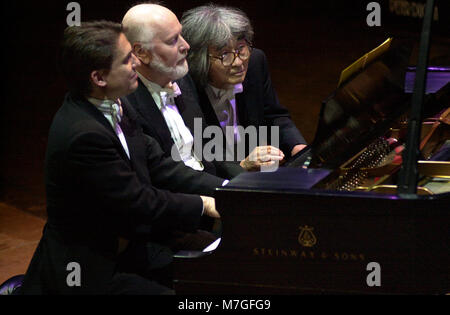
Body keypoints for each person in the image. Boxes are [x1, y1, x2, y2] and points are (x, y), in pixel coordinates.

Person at [19, 21, 224, 295]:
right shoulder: (83, 135)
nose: (137, 64)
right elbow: (138, 200)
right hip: (92, 267)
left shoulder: (117, 103)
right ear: (99, 78)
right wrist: (203, 204)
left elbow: (159, 165)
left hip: (134, 244)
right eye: (127, 60)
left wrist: (227, 190)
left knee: (221, 271)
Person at [122, 3, 286, 179]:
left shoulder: (181, 80)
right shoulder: (127, 103)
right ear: (141, 53)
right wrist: (229, 186)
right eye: (172, 40)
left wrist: (241, 176)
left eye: (181, 35)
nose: (186, 46)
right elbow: (164, 175)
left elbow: (207, 150)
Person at [181, 4, 307, 166]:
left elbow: (274, 115)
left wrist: (297, 145)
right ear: (200, 59)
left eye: (241, 48)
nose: (239, 62)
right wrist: (243, 167)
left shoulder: (255, 63)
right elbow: (201, 155)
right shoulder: (186, 88)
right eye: (224, 54)